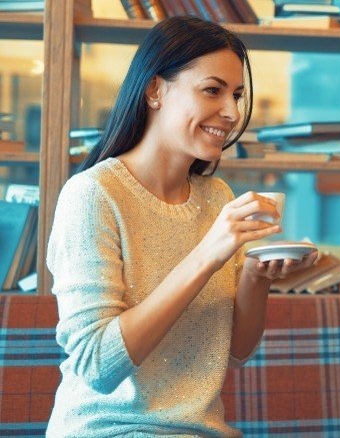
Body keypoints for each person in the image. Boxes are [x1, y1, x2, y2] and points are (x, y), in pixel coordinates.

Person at [46, 17, 317, 437]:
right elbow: (96, 364)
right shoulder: (93, 195)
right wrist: (207, 255)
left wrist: (255, 276)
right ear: (155, 90)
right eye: (213, 90)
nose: (231, 112)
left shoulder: (217, 198)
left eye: (237, 95)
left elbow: (237, 352)